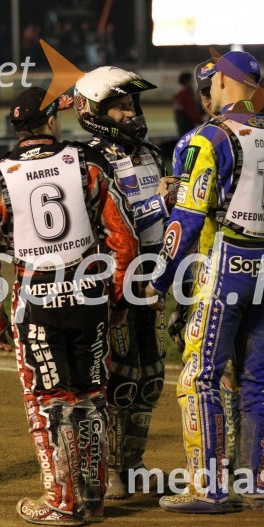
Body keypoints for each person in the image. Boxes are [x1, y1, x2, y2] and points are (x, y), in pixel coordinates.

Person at [144, 50, 264, 513]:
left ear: (222, 80)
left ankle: (210, 488)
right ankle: (257, 486)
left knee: (200, 377)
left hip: (222, 265)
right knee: (256, 378)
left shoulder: (208, 136)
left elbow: (188, 213)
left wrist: (160, 276)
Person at [0, 87, 139, 526]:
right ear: (50, 122)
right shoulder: (87, 164)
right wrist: (117, 298)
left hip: (35, 299)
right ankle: (94, 498)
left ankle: (61, 503)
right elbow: (124, 239)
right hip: (89, 294)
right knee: (91, 395)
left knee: (47, 401)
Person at [74, 66, 178, 499]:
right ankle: (111, 473)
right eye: (119, 106)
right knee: (120, 380)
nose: (130, 113)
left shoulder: (152, 153)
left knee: (151, 375)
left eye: (132, 104)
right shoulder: (87, 161)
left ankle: (133, 466)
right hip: (115, 285)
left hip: (153, 281)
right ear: (94, 111)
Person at [173, 71, 204, 136]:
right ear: (187, 81)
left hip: (182, 124)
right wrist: (202, 122)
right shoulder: (186, 94)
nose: (193, 83)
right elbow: (191, 111)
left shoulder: (181, 93)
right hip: (186, 124)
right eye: (191, 80)